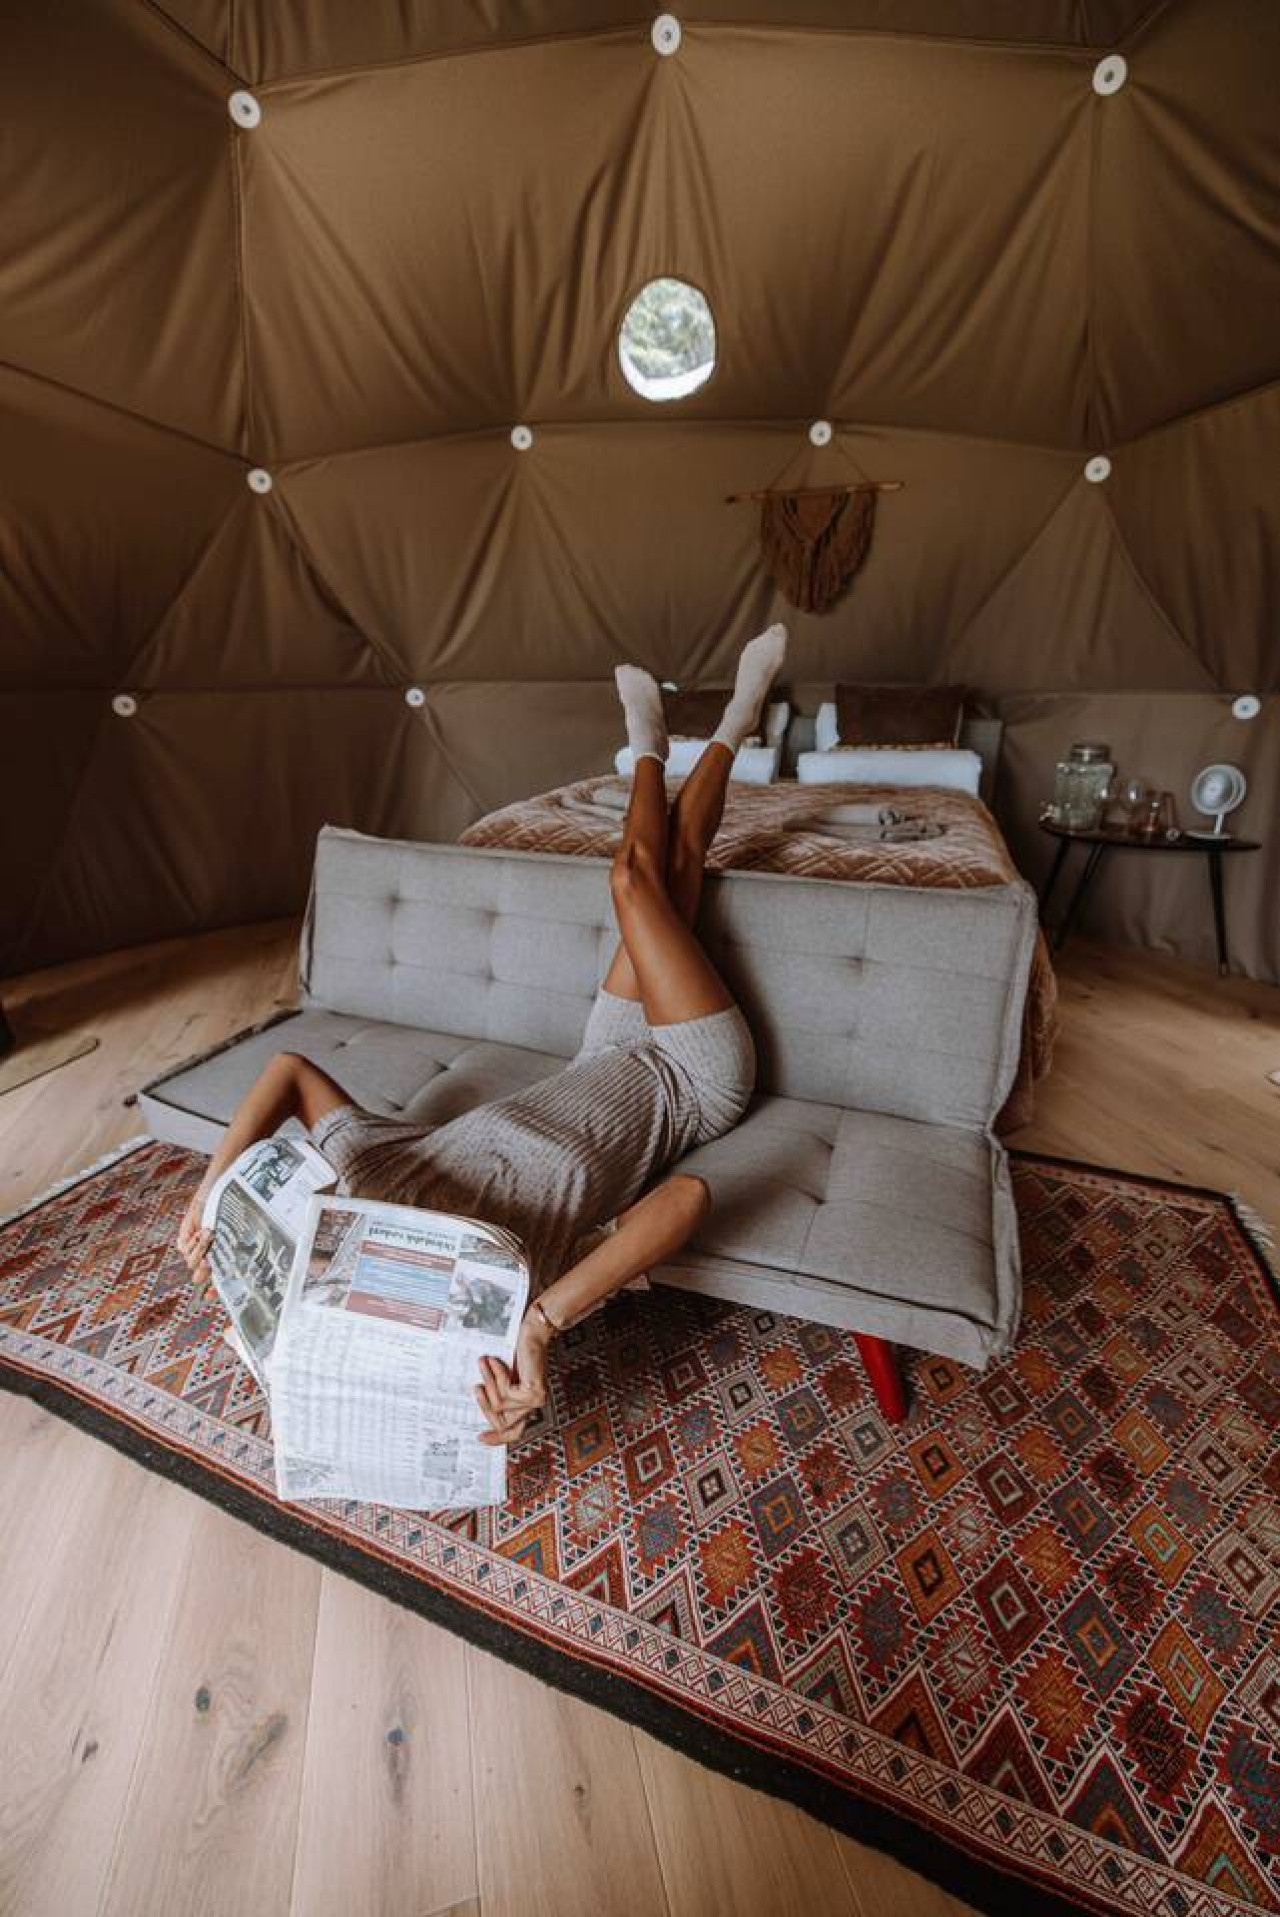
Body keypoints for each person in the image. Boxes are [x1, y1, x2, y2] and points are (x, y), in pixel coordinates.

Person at [177, 624, 788, 1446]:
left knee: (666, 872)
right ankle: (696, 731)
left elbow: (287, 1069)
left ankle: (682, 734)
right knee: (637, 880)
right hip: (690, 1078)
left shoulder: (367, 1174)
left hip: (606, 1045)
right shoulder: (506, 1281)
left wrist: (213, 1191)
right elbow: (689, 1198)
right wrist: (541, 1324)